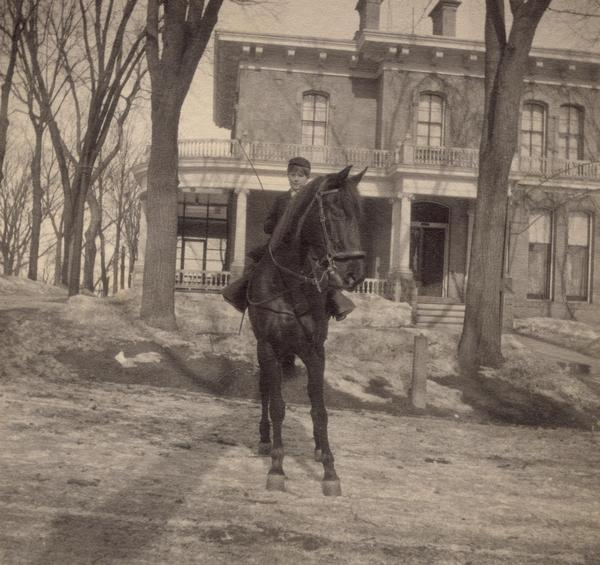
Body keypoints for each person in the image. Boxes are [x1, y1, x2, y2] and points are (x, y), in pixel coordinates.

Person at [222, 156, 355, 321]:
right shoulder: (281, 200)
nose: (296, 179)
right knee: (255, 264)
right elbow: (267, 225)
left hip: (305, 247)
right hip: (279, 245)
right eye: (293, 175)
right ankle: (241, 296)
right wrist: (276, 224)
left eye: (300, 176)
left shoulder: (313, 202)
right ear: (288, 176)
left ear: (307, 178)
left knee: (322, 271)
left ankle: (336, 302)